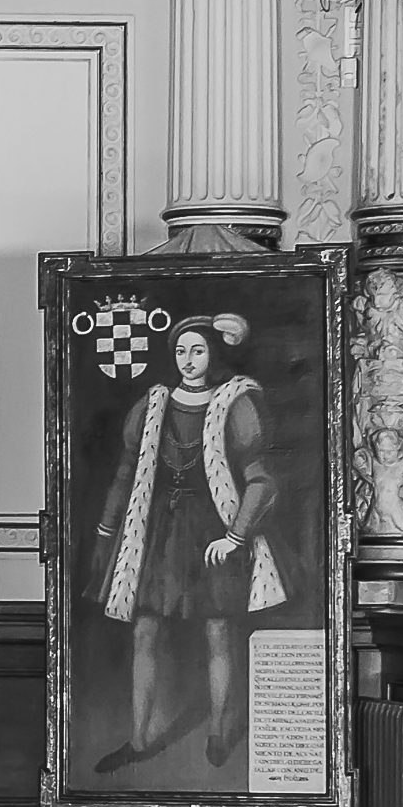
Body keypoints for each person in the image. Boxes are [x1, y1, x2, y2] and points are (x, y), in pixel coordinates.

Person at [88, 313, 285, 773]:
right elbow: (126, 472)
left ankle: (218, 733)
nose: (188, 360)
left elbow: (261, 482)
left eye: (198, 350)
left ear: (213, 354)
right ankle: (139, 739)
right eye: (181, 350)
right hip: (157, 530)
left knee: (218, 631)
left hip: (212, 529)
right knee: (145, 630)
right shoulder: (153, 404)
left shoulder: (236, 402)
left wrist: (235, 535)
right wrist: (105, 530)